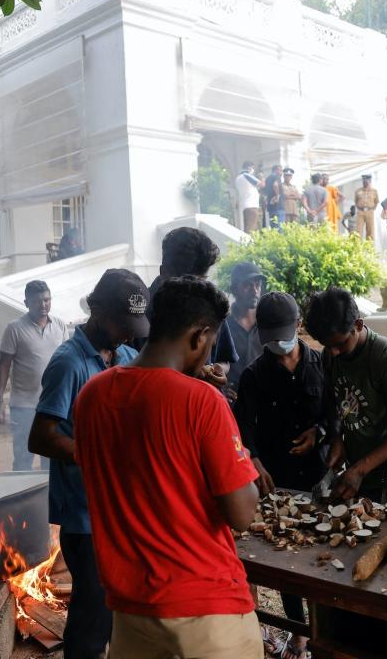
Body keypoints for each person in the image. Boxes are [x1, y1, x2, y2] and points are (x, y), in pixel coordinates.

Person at [73, 277, 263, 659]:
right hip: (208, 612)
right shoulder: (203, 401)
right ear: (199, 336)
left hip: (131, 613)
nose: (208, 355)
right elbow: (242, 514)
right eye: (209, 345)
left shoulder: (91, 396)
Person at [28, 269, 150, 659]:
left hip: (123, 509)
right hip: (85, 516)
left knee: (121, 603)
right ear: (96, 310)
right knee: (92, 610)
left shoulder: (128, 356)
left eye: (134, 326)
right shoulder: (69, 363)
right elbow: (40, 436)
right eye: (122, 324)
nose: (130, 334)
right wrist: (94, 454)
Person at [234, 292, 326, 659]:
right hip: (276, 479)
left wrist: (319, 432)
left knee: (321, 555)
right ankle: (298, 632)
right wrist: (254, 459)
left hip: (319, 477)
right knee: (286, 559)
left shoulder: (321, 365)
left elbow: (336, 415)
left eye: (284, 337)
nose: (279, 346)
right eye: (270, 339)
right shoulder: (255, 375)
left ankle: (323, 631)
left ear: (297, 326)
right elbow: (242, 427)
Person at [304, 287, 387, 507]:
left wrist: (360, 468)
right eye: (327, 346)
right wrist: (337, 438)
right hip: (361, 475)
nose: (333, 352)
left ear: (358, 325)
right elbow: (335, 402)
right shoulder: (330, 355)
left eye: (340, 344)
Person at [145, 227, 238, 386]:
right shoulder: (141, 310)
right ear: (164, 272)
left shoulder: (211, 305)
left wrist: (216, 370)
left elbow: (224, 359)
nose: (196, 293)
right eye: (186, 282)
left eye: (201, 281)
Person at [0, 280, 68, 471]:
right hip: (24, 406)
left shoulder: (59, 325)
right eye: (37, 301)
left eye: (47, 300)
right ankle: (20, 497)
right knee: (23, 458)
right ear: (26, 303)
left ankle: (46, 499)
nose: (43, 305)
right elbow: (3, 366)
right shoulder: (14, 328)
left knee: (50, 458)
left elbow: (68, 363)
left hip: (54, 405)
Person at [224, 262, 264, 397]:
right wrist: (220, 389)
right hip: (233, 405)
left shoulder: (267, 323)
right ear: (234, 289)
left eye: (258, 284)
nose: (255, 290)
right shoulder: (223, 326)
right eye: (248, 285)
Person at [236, 161, 261, 233]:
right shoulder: (246, 175)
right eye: (253, 168)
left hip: (246, 205)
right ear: (249, 167)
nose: (253, 170)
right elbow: (261, 184)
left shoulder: (238, 178)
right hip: (252, 206)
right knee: (251, 229)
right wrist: (261, 177)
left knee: (248, 227)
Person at [354, 175, 380, 241]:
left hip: (370, 212)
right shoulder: (358, 191)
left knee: (370, 230)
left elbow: (376, 202)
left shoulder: (374, 191)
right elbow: (356, 201)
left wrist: (372, 209)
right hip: (360, 212)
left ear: (370, 181)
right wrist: (359, 208)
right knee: (358, 230)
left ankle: (369, 248)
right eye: (364, 181)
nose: (365, 182)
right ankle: (358, 248)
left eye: (366, 181)